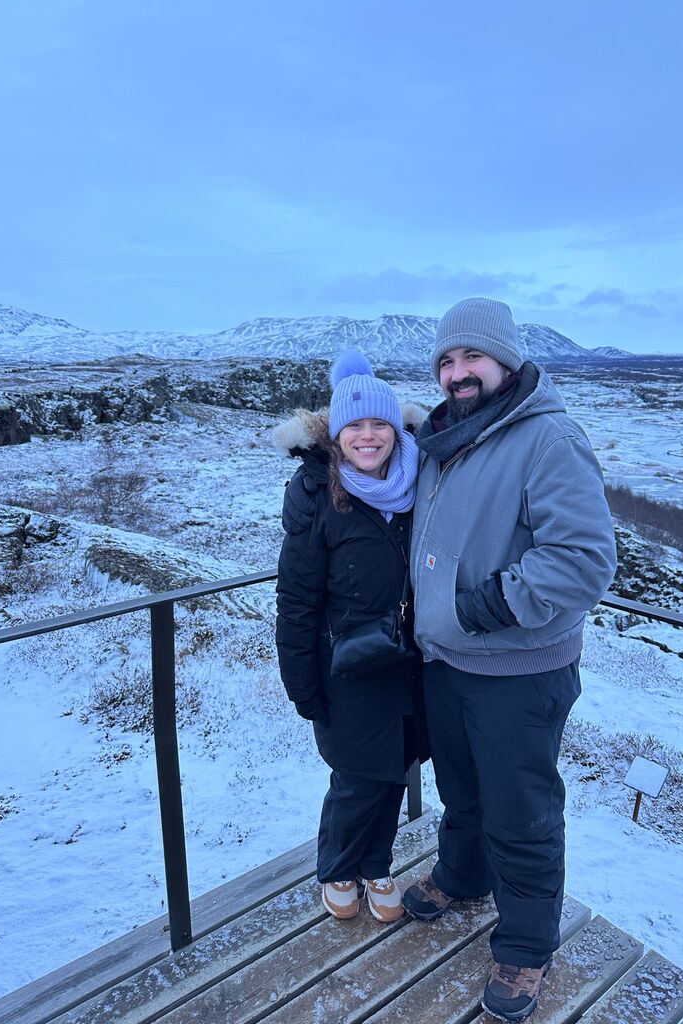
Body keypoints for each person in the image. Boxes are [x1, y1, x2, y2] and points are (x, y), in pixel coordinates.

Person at [401, 297, 617, 1021]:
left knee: (522, 815)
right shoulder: (448, 435)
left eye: (473, 358)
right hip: (447, 664)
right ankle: (463, 876)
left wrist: (486, 606)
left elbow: (585, 561)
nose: (458, 373)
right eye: (447, 361)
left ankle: (526, 949)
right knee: (462, 793)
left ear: (507, 361)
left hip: (519, 672)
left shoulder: (547, 438)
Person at [274, 349, 427, 924]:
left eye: (379, 423)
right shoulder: (316, 495)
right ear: (336, 435)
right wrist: (301, 682)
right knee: (356, 777)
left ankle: (376, 865)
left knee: (396, 768)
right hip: (346, 667)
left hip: (411, 659)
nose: (368, 436)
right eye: (354, 426)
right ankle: (339, 868)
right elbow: (296, 599)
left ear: (395, 428)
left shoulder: (417, 483)